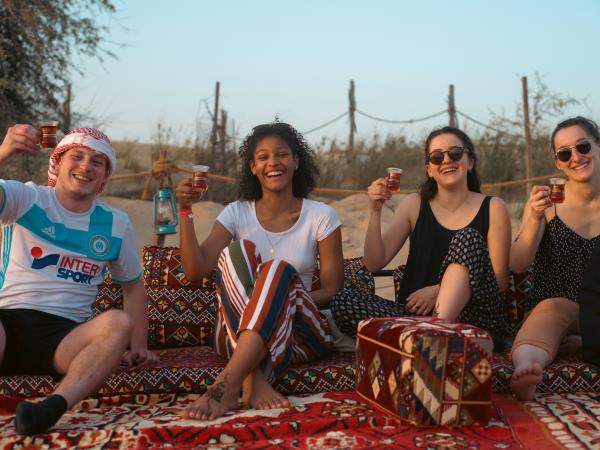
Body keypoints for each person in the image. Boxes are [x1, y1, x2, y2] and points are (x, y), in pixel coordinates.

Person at [175, 121, 343, 421]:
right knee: (238, 253)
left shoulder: (320, 215)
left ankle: (226, 386)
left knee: (277, 270)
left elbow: (332, 289)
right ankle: (251, 376)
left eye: (281, 154)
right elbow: (195, 271)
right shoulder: (236, 212)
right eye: (263, 157)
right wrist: (185, 210)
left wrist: (283, 300)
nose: (273, 163)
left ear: (295, 161)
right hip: (233, 333)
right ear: (253, 167)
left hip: (299, 333)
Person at [0, 125, 157, 435]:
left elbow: (134, 286)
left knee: (119, 323)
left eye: (97, 162)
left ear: (104, 178)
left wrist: (139, 345)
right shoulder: (25, 197)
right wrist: (4, 152)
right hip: (6, 322)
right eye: (78, 156)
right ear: (57, 163)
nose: (86, 166)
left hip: (64, 339)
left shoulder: (115, 224)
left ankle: (49, 410)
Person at [331, 126, 511, 347]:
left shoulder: (493, 207)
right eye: (436, 157)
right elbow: (374, 262)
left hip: (474, 316)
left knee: (468, 238)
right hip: (414, 317)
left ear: (470, 161)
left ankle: (425, 337)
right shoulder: (414, 205)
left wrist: (438, 291)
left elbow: (500, 280)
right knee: (344, 301)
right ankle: (426, 339)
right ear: (429, 169)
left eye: (454, 153)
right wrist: (375, 209)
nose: (446, 160)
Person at [509, 116, 600, 400]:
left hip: (597, 308)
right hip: (556, 302)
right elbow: (518, 264)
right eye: (565, 153)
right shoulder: (548, 204)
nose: (576, 157)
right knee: (550, 312)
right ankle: (526, 371)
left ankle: (583, 342)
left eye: (583, 146)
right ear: (558, 163)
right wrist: (535, 219)